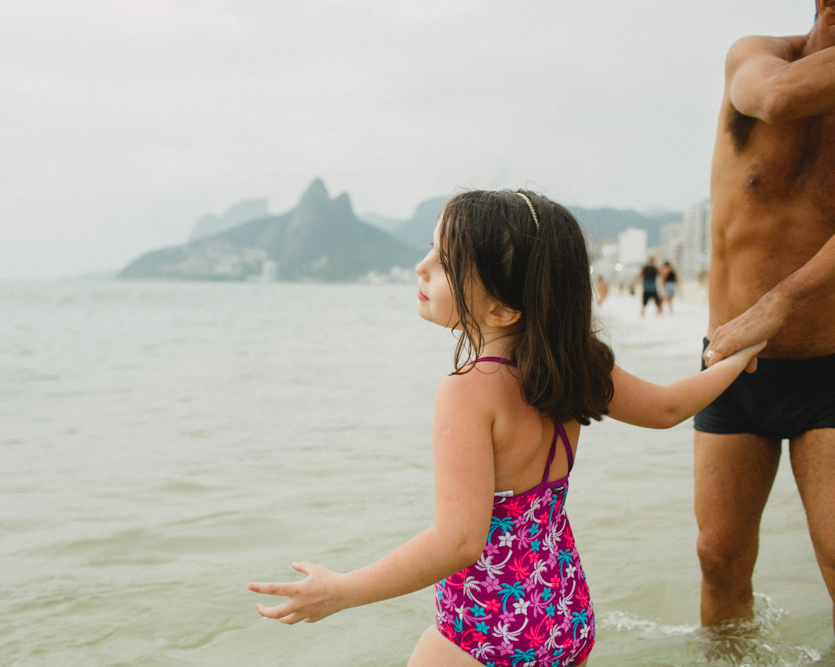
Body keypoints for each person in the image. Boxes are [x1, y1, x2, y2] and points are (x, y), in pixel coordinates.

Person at [248, 190, 764, 666]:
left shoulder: (467, 391)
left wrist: (341, 591)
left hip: (488, 631)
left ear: (502, 307)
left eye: (443, 263)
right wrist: (739, 356)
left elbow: (458, 542)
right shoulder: (578, 366)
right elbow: (670, 407)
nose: (421, 268)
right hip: (564, 613)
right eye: (430, 249)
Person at [695, 0, 835, 634]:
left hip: (828, 369)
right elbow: (776, 99)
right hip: (732, 367)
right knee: (718, 558)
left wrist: (777, 303)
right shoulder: (757, 56)